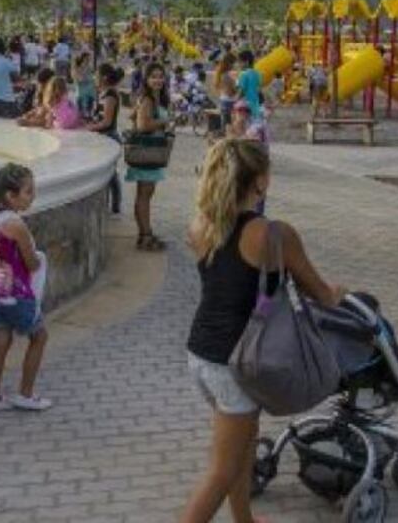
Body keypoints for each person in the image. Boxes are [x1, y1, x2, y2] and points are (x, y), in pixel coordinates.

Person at [182, 138, 346, 523]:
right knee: (221, 471)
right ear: (260, 182)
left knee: (244, 443)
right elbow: (320, 293)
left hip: (201, 353)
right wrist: (340, 294)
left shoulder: (201, 226)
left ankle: (245, 520)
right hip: (238, 362)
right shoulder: (274, 234)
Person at [0, 163, 51, 413]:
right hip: (16, 293)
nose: (33, 195)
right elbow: (31, 262)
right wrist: (40, 259)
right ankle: (25, 394)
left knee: (1, 341)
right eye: (28, 191)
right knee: (39, 336)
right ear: (10, 195)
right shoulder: (17, 225)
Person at [126, 62, 172, 252]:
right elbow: (143, 126)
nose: (158, 80)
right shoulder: (147, 99)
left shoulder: (154, 98)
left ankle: (145, 234)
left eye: (161, 76)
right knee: (144, 195)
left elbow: (134, 118)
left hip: (150, 153)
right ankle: (145, 236)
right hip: (147, 153)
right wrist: (165, 122)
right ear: (146, 79)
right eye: (153, 76)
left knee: (146, 194)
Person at [86, 63, 123, 215]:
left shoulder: (111, 95)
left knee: (111, 174)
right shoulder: (102, 92)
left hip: (109, 137)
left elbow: (107, 121)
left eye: (97, 74)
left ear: (104, 77)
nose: (95, 77)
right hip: (100, 136)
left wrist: (88, 128)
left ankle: (115, 206)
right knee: (106, 172)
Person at [236, 50, 263, 121]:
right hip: (255, 105)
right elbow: (259, 90)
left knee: (243, 126)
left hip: (244, 105)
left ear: (246, 62)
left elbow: (241, 91)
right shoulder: (257, 74)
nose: (238, 64)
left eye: (240, 62)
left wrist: (235, 101)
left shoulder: (243, 74)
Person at [213, 53, 238, 127]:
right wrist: (238, 89)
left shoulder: (221, 74)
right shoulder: (226, 76)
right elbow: (230, 92)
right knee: (229, 125)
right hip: (229, 101)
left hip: (224, 99)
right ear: (229, 63)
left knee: (226, 123)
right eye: (233, 63)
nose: (234, 66)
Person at [72, 52, 97, 118]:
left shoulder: (89, 67)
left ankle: (88, 116)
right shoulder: (77, 67)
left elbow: (92, 77)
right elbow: (78, 79)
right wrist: (88, 78)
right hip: (81, 90)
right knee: (80, 106)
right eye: (87, 58)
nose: (89, 60)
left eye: (89, 58)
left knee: (89, 105)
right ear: (83, 59)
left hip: (89, 90)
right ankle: (81, 117)